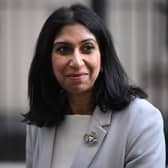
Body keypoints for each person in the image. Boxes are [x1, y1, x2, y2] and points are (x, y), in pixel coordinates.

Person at [24, 3, 166, 168]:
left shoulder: (141, 119)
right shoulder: (39, 123)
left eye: (87, 48)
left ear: (103, 58)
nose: (77, 62)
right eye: (63, 49)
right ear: (47, 61)